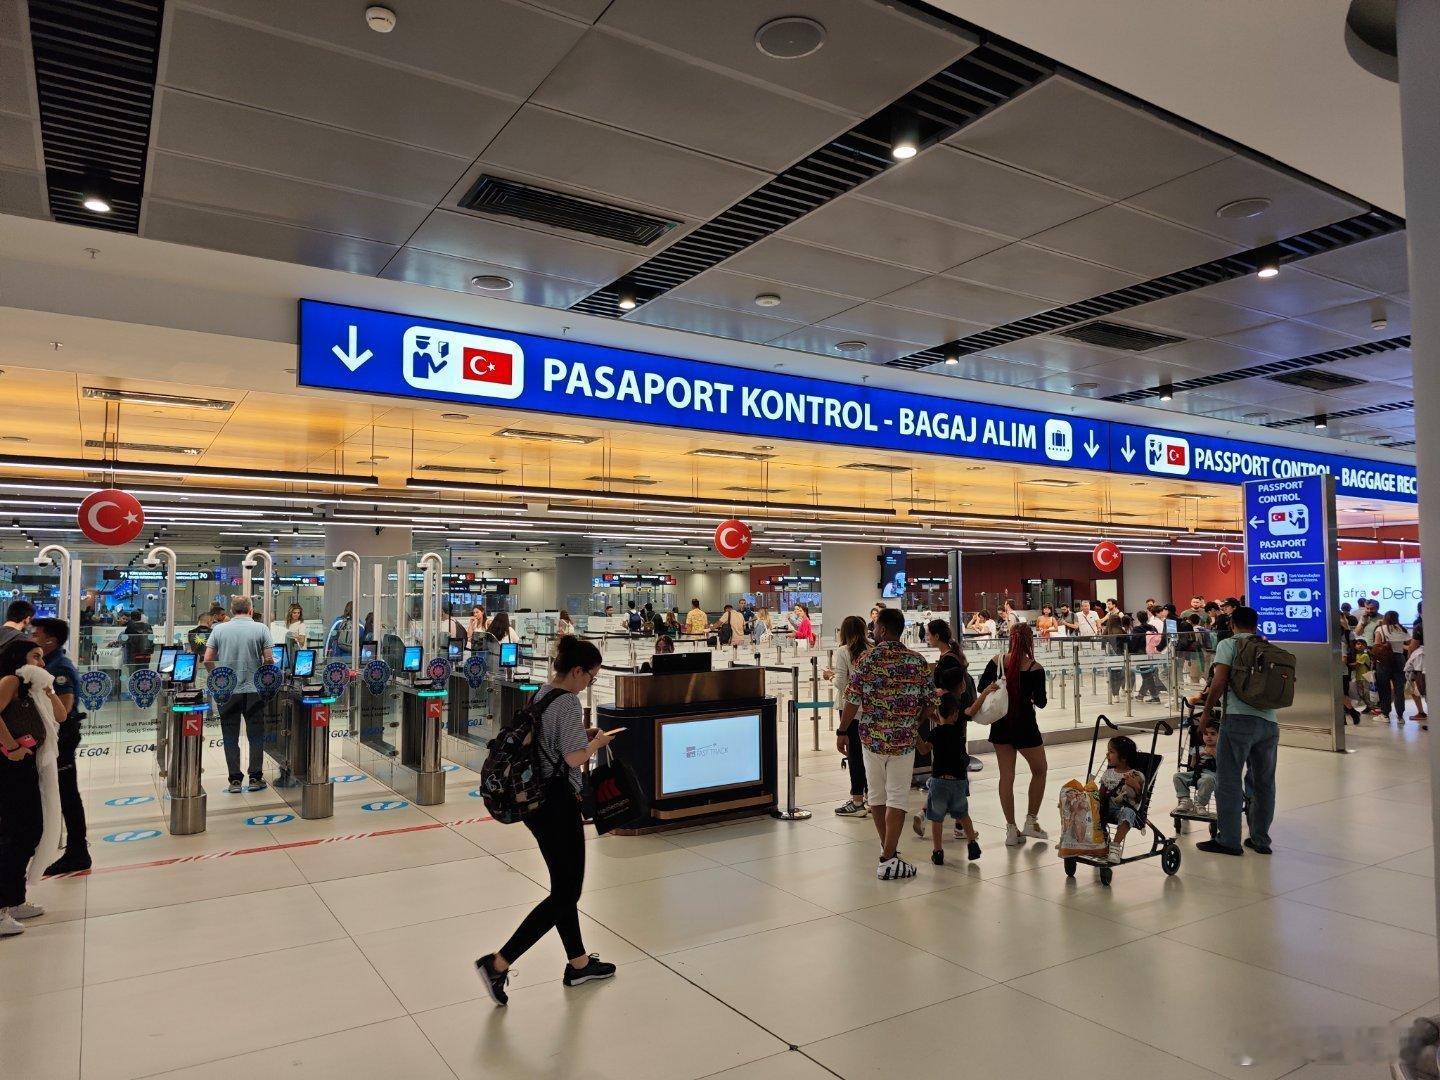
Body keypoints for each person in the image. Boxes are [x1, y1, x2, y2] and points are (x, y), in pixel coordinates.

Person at [475, 637, 618, 1005]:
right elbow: (573, 759)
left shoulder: (543, 692)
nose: (590, 682)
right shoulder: (568, 701)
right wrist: (596, 744)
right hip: (557, 803)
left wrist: (581, 739)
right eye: (591, 676)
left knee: (563, 887)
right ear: (577, 671)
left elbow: (550, 744)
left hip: (534, 801)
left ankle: (579, 964)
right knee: (566, 893)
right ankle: (498, 963)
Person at [837, 607, 929, 879]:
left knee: (876, 796)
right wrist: (912, 723)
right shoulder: (917, 661)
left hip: (871, 739)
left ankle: (887, 854)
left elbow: (852, 699)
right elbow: (930, 702)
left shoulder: (866, 659)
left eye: (875, 626)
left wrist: (842, 731)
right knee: (897, 797)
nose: (873, 630)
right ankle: (889, 856)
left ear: (884, 630)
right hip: (903, 742)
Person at [1197, 606, 1278, 857]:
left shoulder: (1228, 644)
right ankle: (1260, 839)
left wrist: (1206, 712)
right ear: (1255, 624)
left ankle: (1229, 840)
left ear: (1232, 624)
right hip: (1269, 722)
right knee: (1263, 782)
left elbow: (1220, 680)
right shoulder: (1266, 645)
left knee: (1229, 780)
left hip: (1238, 720)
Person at [978, 622, 1048, 846]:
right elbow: (1042, 702)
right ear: (1029, 641)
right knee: (1040, 770)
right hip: (1025, 726)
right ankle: (1031, 821)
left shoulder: (997, 661)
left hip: (1001, 724)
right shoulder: (1035, 668)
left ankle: (1010, 828)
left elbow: (981, 687)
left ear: (1010, 639)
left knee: (1006, 777)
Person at [32, 619, 89, 875]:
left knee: (67, 794)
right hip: (52, 738)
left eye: (36, 635)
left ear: (50, 641)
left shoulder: (59, 667)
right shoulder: (47, 664)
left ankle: (78, 851)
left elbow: (63, 709)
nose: (31, 638)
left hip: (62, 738)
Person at [0, 637, 47, 933]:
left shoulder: (30, 688)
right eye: (35, 657)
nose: (41, 663)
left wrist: (47, 686)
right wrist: (12, 748)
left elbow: (60, 715)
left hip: (25, 765)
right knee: (17, 833)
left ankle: (15, 898)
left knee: (29, 830)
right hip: (10, 766)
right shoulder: (10, 681)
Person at [204, 597, 273, 793]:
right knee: (256, 735)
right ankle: (255, 777)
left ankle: (234, 780)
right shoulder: (261, 628)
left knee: (230, 735)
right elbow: (269, 659)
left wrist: (219, 679)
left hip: (228, 691)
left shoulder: (219, 629)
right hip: (254, 691)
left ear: (232, 611)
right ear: (250, 610)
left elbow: (207, 659)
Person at [911, 692, 980, 864]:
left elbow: (924, 750)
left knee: (937, 818)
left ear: (937, 713)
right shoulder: (959, 733)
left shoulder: (935, 733)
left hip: (939, 782)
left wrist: (914, 733)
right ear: (955, 714)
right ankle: (972, 844)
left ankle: (938, 851)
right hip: (958, 782)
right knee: (963, 814)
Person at [829, 615, 870, 818]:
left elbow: (841, 683)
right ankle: (872, 797)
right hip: (870, 708)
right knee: (869, 754)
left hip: (850, 708)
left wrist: (829, 676)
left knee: (854, 754)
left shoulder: (843, 651)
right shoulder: (872, 649)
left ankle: (857, 801)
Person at [1098, 736, 1145, 864]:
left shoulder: (1136, 775)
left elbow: (1140, 798)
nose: (1107, 754)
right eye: (1108, 751)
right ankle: (1098, 838)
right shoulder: (1107, 773)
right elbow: (1101, 794)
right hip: (1106, 808)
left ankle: (1115, 847)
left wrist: (1135, 785)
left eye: (1111, 752)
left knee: (1128, 812)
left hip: (1123, 810)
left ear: (1123, 758)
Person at [1372, 610, 1411, 724]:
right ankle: (1400, 716)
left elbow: (1377, 645)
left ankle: (1385, 715)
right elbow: (1410, 644)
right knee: (1399, 688)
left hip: (1384, 660)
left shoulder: (1380, 629)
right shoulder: (1402, 629)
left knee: (1384, 688)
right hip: (1399, 659)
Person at [1174, 723, 1218, 819]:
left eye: (1213, 734)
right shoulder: (1197, 748)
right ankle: (1185, 800)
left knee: (1208, 780)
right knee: (1177, 776)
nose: (1209, 736)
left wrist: (1215, 755)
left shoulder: (1220, 750)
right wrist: (1195, 757)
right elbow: (1192, 766)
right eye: (1206, 734)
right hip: (1196, 773)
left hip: (1210, 775)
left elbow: (1224, 766)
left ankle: (1200, 804)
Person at [1405, 628, 1426, 729]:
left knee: (1419, 688)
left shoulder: (1418, 627)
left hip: (1418, 662)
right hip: (1419, 662)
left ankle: (1422, 712)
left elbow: (1412, 646)